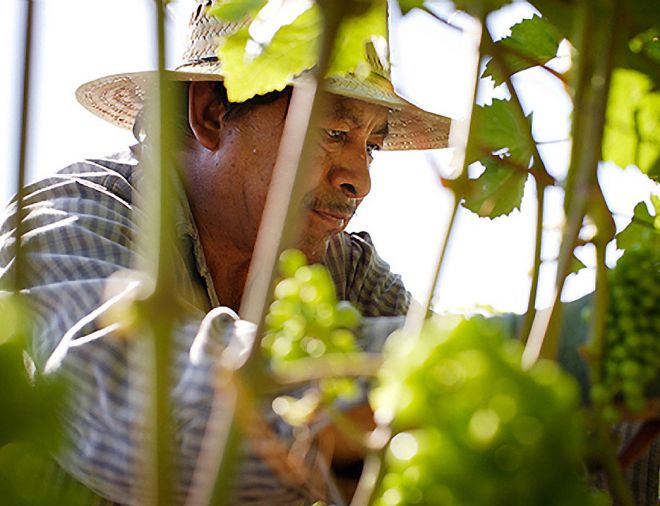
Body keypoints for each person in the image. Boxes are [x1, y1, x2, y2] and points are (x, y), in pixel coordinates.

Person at [0, 1, 656, 505]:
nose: (359, 179)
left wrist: (611, 377)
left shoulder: (345, 269)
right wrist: (536, 353)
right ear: (210, 114)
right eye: (333, 129)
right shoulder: (71, 218)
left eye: (370, 144)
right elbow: (131, 408)